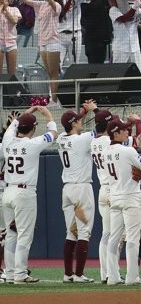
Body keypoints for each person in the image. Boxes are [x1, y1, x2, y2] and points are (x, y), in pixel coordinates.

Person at [1, 106, 56, 283]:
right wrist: (48, 115)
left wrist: (28, 112)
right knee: (24, 235)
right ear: (33, 128)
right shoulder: (32, 144)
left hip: (8, 191)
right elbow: (53, 133)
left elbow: (14, 125)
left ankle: (10, 273)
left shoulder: (7, 140)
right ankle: (20, 273)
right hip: (24, 193)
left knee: (11, 235)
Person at [57, 101, 100, 283]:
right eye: (78, 120)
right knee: (83, 233)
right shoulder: (81, 140)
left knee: (71, 233)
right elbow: (103, 126)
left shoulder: (61, 138)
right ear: (73, 123)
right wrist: (94, 110)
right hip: (81, 189)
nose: (81, 121)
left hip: (67, 190)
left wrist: (83, 112)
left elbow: (73, 124)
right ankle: (79, 274)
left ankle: (68, 274)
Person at [104, 116, 141, 286]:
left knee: (113, 238)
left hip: (115, 196)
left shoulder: (105, 151)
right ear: (116, 133)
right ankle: (132, 277)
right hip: (130, 196)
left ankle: (112, 277)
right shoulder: (127, 151)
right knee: (133, 238)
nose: (127, 131)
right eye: (123, 130)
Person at [90, 108, 117, 285]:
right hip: (112, 189)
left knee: (106, 234)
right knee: (113, 235)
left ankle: (105, 273)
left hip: (102, 188)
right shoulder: (109, 141)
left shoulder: (93, 141)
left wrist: (96, 111)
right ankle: (111, 274)